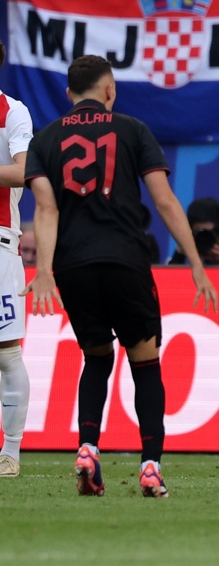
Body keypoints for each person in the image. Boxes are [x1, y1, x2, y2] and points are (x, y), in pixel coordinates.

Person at [22, 54, 218, 498]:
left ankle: (88, 448)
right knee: (145, 364)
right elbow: (165, 200)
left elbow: (46, 209)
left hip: (73, 267)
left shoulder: (45, 139)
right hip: (126, 260)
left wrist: (45, 272)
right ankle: (150, 466)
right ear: (109, 90)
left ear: (69, 94)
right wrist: (196, 264)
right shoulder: (132, 130)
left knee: (96, 359)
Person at [0, 41, 34, 478]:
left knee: (6, 354)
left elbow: (23, 170)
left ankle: (10, 452)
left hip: (0, 243)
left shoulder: (12, 112)